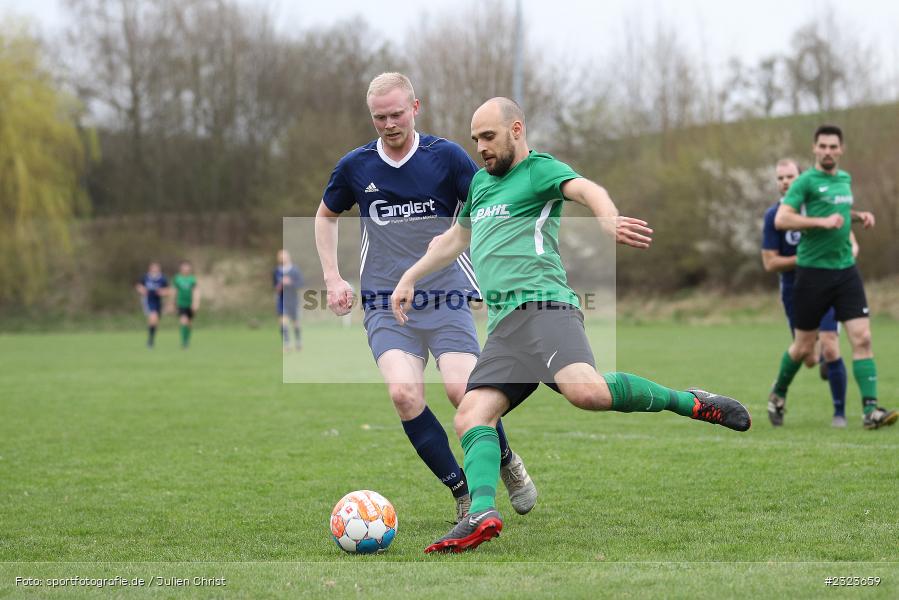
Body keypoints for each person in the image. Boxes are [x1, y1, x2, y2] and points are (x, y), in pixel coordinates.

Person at [390, 97, 751, 554]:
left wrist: (608, 217)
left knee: (588, 393)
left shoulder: (539, 170)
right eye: (475, 139)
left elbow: (586, 189)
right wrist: (410, 275)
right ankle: (481, 512)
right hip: (505, 327)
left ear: (515, 129)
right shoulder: (481, 184)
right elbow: (454, 240)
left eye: (488, 137)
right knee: (470, 414)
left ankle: (692, 402)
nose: (480, 147)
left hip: (545, 308)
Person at [314, 73, 537, 524]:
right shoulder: (356, 167)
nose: (389, 123)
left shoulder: (447, 157)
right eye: (380, 117)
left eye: (397, 113)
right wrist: (333, 278)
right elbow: (325, 215)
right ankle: (459, 490)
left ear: (416, 108)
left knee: (464, 391)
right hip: (384, 301)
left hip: (446, 294)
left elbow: (487, 206)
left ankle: (507, 460)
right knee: (403, 393)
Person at [769, 125, 896, 431]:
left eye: (832, 146)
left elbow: (837, 207)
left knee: (863, 338)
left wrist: (857, 215)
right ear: (814, 148)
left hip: (846, 271)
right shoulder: (805, 182)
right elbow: (782, 218)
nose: (827, 151)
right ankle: (778, 395)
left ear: (841, 149)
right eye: (822, 146)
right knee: (802, 348)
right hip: (812, 274)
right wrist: (819, 221)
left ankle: (870, 411)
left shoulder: (844, 179)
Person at [761, 159, 860, 428]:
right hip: (795, 289)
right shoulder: (774, 216)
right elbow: (770, 263)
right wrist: (807, 259)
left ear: (801, 178)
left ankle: (839, 415)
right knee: (808, 356)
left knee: (830, 343)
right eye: (780, 177)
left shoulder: (821, 205)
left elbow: (852, 244)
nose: (785, 181)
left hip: (826, 281)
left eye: (790, 176)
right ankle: (778, 392)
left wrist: (841, 259)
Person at [274, 249, 304, 351]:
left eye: (284, 255)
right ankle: (286, 344)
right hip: (282, 300)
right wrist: (280, 285)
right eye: (281, 256)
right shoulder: (277, 271)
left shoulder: (295, 270)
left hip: (293, 299)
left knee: (295, 322)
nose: (283, 258)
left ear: (288, 257)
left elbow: (300, 284)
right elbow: (275, 287)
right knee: (283, 323)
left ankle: (298, 341)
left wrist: (290, 283)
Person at [135, 262, 169, 348]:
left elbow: (168, 290)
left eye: (156, 268)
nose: (154, 270)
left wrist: (162, 292)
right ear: (150, 269)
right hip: (148, 301)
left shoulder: (162, 278)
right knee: (153, 317)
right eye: (153, 268)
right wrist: (142, 290)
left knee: (155, 322)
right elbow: (139, 286)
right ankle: (150, 342)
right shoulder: (145, 277)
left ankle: (151, 339)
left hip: (158, 302)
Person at [173, 260, 200, 348]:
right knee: (183, 321)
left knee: (189, 324)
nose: (186, 269)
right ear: (181, 269)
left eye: (187, 268)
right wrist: (172, 303)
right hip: (181, 303)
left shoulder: (192, 279)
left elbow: (196, 291)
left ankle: (187, 339)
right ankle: (184, 342)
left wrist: (195, 303)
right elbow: (174, 291)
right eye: (184, 268)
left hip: (190, 304)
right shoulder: (177, 278)